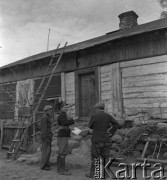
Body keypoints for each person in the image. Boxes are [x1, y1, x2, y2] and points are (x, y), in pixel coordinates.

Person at [85, 102, 120, 178]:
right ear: (103, 108)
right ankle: (106, 173)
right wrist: (110, 132)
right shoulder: (108, 116)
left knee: (95, 157)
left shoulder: (94, 116)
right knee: (106, 157)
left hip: (97, 139)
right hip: (106, 139)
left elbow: (90, 127)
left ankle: (93, 173)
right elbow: (116, 124)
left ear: (96, 109)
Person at [57, 103, 78, 175]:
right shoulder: (61, 115)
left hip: (63, 134)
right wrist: (73, 120)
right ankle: (62, 170)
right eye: (65, 107)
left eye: (67, 108)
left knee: (61, 151)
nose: (66, 109)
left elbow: (65, 124)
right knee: (63, 152)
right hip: (62, 135)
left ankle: (59, 168)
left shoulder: (63, 115)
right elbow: (65, 123)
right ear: (61, 108)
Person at [40, 105, 53, 171]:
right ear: (46, 111)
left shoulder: (47, 117)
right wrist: (45, 138)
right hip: (46, 137)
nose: (51, 111)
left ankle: (46, 163)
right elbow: (44, 129)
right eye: (50, 110)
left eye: (51, 110)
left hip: (48, 136)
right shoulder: (44, 118)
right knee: (45, 152)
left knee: (48, 151)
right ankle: (43, 166)